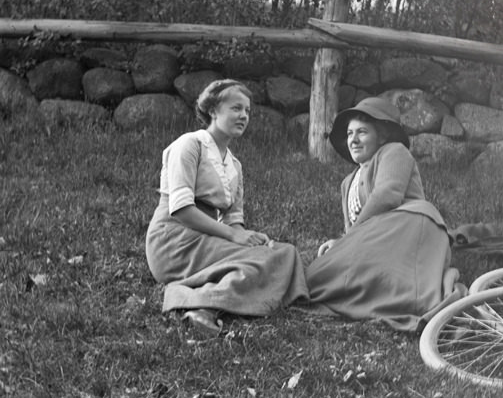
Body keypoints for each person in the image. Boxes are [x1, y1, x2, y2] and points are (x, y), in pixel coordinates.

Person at [145, 79, 308, 337]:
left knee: (284, 253)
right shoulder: (189, 145)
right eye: (236, 108)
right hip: (174, 240)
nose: (243, 115)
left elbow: (234, 222)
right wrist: (234, 237)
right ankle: (195, 304)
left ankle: (225, 298)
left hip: (207, 238)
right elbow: (181, 209)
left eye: (247, 111)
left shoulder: (235, 165)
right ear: (213, 111)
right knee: (259, 262)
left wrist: (246, 238)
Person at [304, 96, 452, 332]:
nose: (353, 139)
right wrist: (342, 243)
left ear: (381, 135)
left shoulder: (394, 152)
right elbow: (352, 230)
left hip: (408, 225)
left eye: (362, 132)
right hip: (377, 236)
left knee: (326, 275)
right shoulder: (347, 183)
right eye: (350, 134)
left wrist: (347, 240)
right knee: (320, 273)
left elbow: (387, 196)